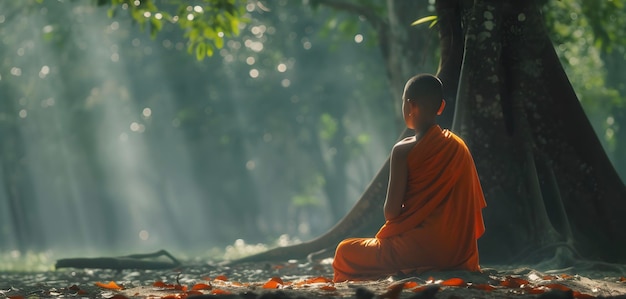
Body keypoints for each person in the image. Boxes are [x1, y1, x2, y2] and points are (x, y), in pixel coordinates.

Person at [332, 74, 486, 282]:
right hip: (457, 254)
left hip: (417, 250)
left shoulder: (403, 150)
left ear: (410, 106)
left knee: (345, 251)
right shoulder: (459, 147)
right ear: (440, 107)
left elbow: (391, 213)